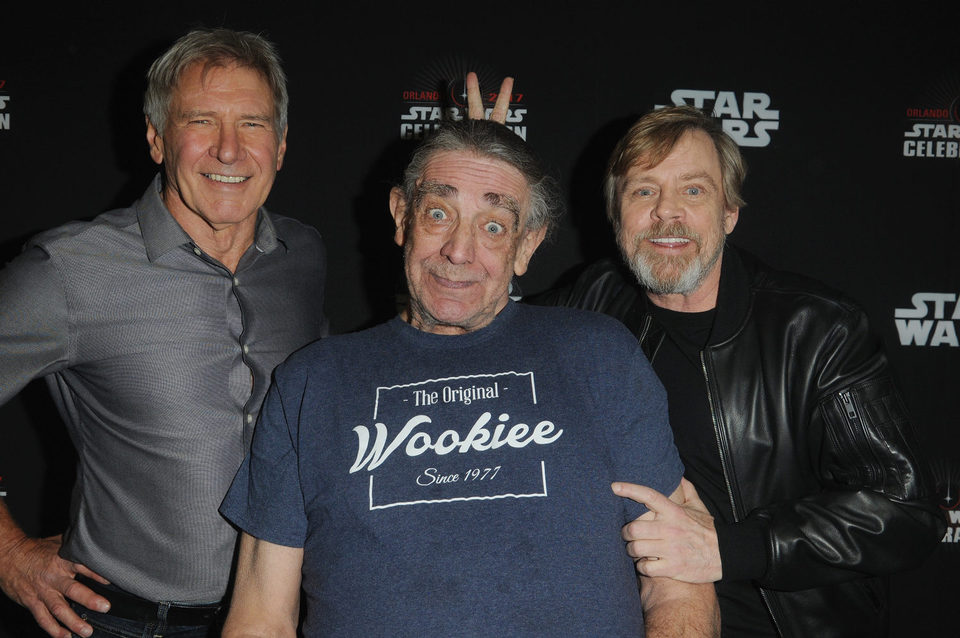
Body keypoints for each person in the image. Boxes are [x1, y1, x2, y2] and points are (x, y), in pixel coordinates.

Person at [217, 117, 719, 637]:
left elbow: (677, 584)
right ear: (400, 215)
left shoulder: (599, 356)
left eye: (493, 227)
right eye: (439, 214)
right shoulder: (311, 383)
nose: (459, 251)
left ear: (528, 245)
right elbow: (261, 617)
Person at [528, 104, 944, 637]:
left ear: (730, 214)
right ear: (616, 215)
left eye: (693, 191)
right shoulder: (593, 301)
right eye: (643, 191)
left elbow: (906, 511)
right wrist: (483, 164)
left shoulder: (816, 328)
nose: (666, 213)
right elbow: (485, 318)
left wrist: (730, 548)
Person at [0, 28, 329, 638]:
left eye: (253, 124)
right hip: (128, 625)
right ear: (156, 138)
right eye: (202, 121)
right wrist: (8, 553)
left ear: (281, 146)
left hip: (285, 620)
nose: (230, 151)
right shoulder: (70, 270)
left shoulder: (303, 255)